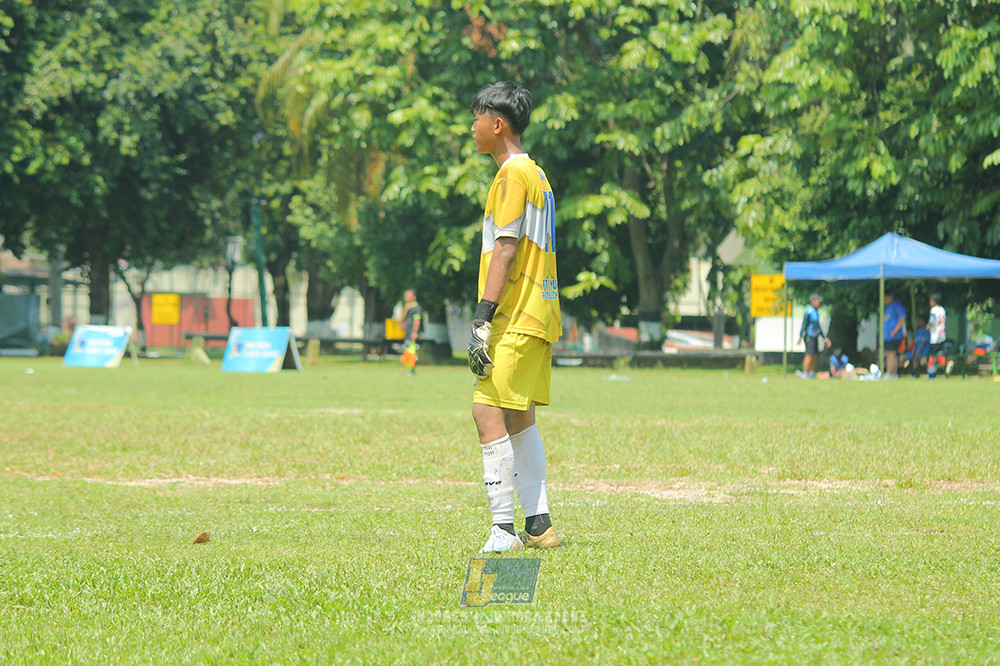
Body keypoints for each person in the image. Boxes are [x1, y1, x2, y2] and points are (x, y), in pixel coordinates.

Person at [467, 81, 561, 553]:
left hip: (515, 315)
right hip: (540, 314)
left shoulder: (510, 176)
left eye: (477, 117)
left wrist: (483, 315)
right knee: (519, 415)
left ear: (497, 123)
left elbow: (505, 248)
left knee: (487, 410)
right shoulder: (539, 174)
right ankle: (539, 525)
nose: (472, 126)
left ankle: (503, 530)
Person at [796, 293, 830, 379]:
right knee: (809, 355)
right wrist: (801, 335)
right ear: (813, 301)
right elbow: (805, 324)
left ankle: (811, 372)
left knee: (815, 355)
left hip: (815, 336)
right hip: (809, 336)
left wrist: (824, 337)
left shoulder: (816, 312)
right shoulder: (809, 311)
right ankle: (805, 373)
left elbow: (818, 326)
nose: (819, 303)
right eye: (818, 301)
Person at [883, 291, 907, 379]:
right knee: (889, 353)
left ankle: (890, 373)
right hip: (887, 336)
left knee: (891, 353)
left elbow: (902, 318)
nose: (885, 300)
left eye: (886, 297)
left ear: (891, 296)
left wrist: (895, 331)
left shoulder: (897, 305)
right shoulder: (887, 307)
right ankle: (893, 374)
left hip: (893, 336)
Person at [400, 289, 422, 375]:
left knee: (412, 351)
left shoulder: (416, 307)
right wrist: (405, 309)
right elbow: (402, 320)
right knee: (408, 350)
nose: (406, 297)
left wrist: (415, 332)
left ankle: (412, 370)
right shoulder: (408, 307)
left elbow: (417, 320)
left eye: (409, 296)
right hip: (408, 331)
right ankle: (409, 369)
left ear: (414, 297)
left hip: (412, 332)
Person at [927, 293, 947, 379]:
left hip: (934, 337)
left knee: (932, 356)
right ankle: (942, 368)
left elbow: (932, 321)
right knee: (939, 354)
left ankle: (932, 374)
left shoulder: (933, 310)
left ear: (933, 301)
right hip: (942, 335)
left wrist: (928, 326)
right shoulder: (942, 310)